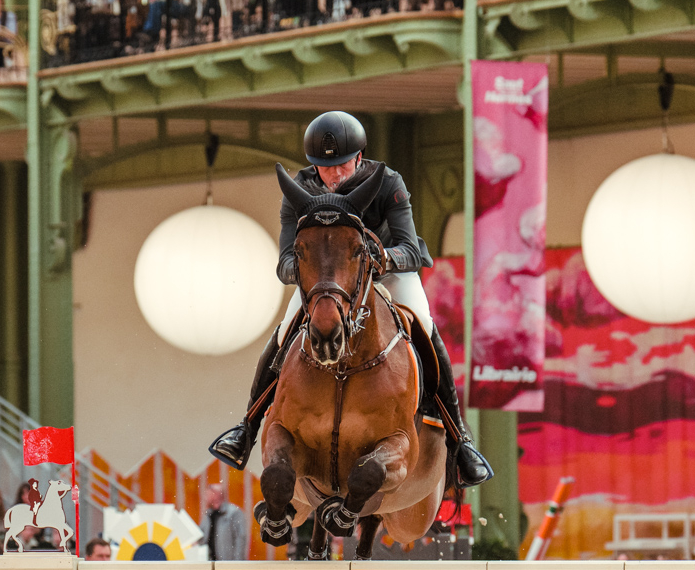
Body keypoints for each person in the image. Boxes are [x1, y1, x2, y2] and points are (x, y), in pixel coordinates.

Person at [208, 111, 492, 488]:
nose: (335, 175)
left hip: (387, 271)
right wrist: (311, 272)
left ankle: (460, 441)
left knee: (424, 325)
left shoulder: (388, 182)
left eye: (342, 164)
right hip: (330, 284)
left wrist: (381, 258)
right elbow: (286, 261)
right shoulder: (301, 189)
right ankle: (246, 428)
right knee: (284, 331)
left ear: (359, 157)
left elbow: (410, 248)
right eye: (325, 167)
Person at [199, 483, 249, 561]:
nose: (206, 497)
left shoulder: (234, 512)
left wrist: (238, 563)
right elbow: (202, 535)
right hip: (210, 560)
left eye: (209, 494)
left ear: (217, 495)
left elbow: (240, 539)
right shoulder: (209, 513)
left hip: (228, 562)